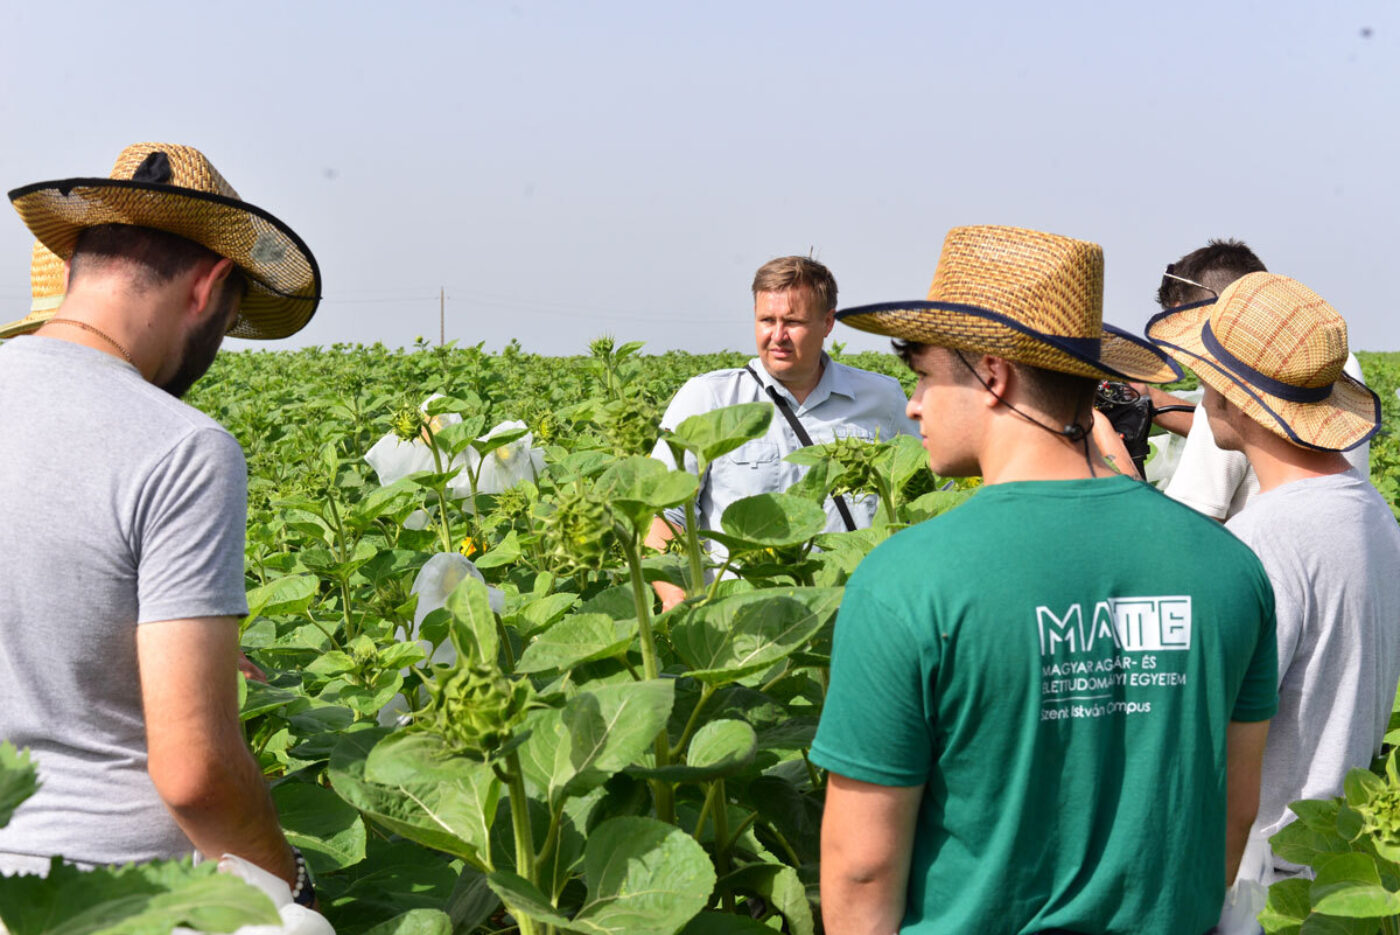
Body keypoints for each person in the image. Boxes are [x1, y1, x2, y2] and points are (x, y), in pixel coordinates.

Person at [811, 225, 1278, 935]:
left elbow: (862, 868)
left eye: (925, 377)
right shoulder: (1229, 567)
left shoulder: (905, 582)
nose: (913, 405)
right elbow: (1233, 810)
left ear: (993, 374)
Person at [0, 142, 322, 908]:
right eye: (233, 318)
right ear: (210, 285)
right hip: (117, 899)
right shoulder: (182, 447)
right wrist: (292, 887)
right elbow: (195, 771)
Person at [1147, 272, 1400, 894]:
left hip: (1254, 873)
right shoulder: (1371, 509)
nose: (1201, 397)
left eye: (1208, 379)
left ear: (1233, 399)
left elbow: (1198, 740)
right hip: (1334, 859)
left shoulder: (1262, 543)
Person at [647, 255, 915, 609]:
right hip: (744, 620)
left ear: (828, 323)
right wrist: (676, 598)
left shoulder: (882, 399)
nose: (777, 336)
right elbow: (663, 514)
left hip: (854, 612)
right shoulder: (710, 398)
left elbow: (925, 501)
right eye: (766, 320)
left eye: (793, 321)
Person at [1154, 240, 1369, 519]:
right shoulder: (1332, 362)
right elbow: (1267, 431)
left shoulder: (1233, 374)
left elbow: (1189, 524)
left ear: (1185, 312)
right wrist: (1156, 401)